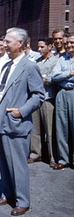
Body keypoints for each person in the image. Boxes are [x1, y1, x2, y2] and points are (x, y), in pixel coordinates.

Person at [0, 27, 45, 216]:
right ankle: (8, 193)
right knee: (3, 161)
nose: (4, 45)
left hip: (15, 121)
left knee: (18, 163)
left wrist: (22, 111)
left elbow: (39, 95)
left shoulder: (29, 66)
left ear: (20, 43)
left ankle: (23, 201)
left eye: (8, 42)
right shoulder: (5, 64)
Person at [28, 37, 59, 168]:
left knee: (50, 129)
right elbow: (32, 78)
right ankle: (36, 154)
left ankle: (53, 157)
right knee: (35, 129)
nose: (39, 49)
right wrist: (44, 77)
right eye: (38, 47)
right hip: (36, 99)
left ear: (50, 46)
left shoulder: (56, 60)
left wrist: (44, 77)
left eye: (42, 47)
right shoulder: (37, 61)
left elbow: (52, 78)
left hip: (48, 98)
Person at [51, 33, 74, 170]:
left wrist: (63, 75)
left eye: (71, 42)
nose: (69, 45)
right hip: (61, 93)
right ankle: (63, 159)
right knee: (61, 126)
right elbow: (54, 76)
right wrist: (69, 74)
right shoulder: (62, 59)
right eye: (67, 43)